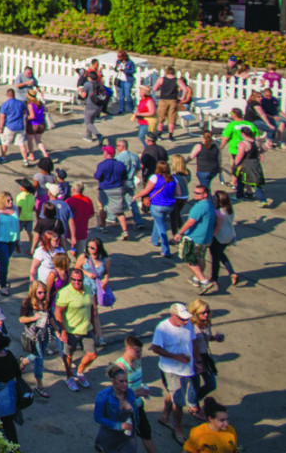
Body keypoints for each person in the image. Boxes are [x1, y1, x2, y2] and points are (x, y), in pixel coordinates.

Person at [151, 302, 199, 444]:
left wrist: (199, 361)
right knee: (178, 401)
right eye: (182, 319)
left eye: (186, 318)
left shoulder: (188, 324)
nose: (186, 321)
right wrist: (176, 356)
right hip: (170, 369)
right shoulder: (163, 328)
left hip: (187, 368)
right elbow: (155, 348)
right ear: (173, 316)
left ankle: (164, 417)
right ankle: (179, 429)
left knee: (171, 394)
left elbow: (193, 342)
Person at [56, 264, 100, 390]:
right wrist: (63, 330)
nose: (77, 282)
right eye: (74, 280)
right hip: (71, 330)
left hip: (86, 328)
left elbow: (91, 308)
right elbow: (58, 312)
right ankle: (69, 377)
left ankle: (79, 372)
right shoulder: (65, 293)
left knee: (92, 354)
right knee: (68, 356)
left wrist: (94, 325)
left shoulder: (88, 289)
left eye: (79, 280)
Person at [172, 182, 216, 291]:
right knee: (200, 257)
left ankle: (203, 280)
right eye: (195, 192)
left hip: (194, 237)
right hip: (206, 238)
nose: (195, 195)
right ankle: (196, 278)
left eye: (198, 193)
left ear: (205, 194)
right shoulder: (209, 204)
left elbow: (191, 222)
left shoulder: (200, 206)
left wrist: (180, 233)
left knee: (188, 258)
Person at [17, 279, 54, 399]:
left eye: (44, 292)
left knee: (39, 356)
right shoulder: (27, 303)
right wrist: (34, 318)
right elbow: (21, 319)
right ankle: (39, 386)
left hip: (44, 333)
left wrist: (57, 330)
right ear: (34, 292)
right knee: (39, 358)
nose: (42, 295)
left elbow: (51, 317)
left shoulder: (45, 302)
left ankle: (23, 361)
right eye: (40, 293)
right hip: (34, 335)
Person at [94, 364, 141, 453]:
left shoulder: (130, 393)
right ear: (113, 381)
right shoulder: (103, 396)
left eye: (126, 381)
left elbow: (135, 412)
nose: (125, 384)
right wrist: (119, 425)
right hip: (110, 435)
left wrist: (136, 424)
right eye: (121, 381)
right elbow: (98, 417)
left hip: (128, 435)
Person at [207, 191, 241, 289]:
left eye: (215, 197)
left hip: (219, 236)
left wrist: (211, 237)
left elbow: (217, 227)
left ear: (218, 199)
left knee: (215, 258)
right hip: (229, 235)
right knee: (221, 254)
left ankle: (214, 278)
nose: (213, 198)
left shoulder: (218, 212)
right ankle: (232, 273)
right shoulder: (229, 209)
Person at [0, 88, 25, 162]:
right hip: (20, 126)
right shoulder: (21, 103)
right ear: (14, 95)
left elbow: (2, 117)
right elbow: (25, 113)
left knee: (4, 143)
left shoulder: (5, 104)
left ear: (7, 95)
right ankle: (25, 159)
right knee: (21, 144)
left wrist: (1, 128)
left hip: (9, 126)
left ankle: (3, 157)